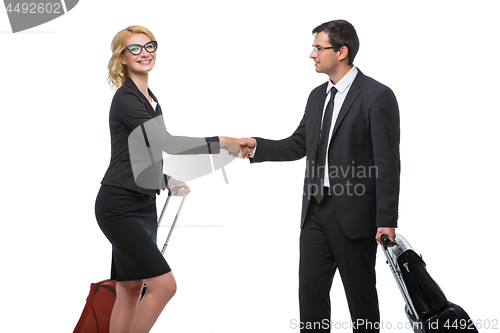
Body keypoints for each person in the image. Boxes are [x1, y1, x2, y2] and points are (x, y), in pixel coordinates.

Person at [238, 20, 400, 332]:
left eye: (318, 47)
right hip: (315, 210)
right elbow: (299, 143)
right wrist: (257, 147)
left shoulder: (377, 96)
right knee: (310, 295)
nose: (312, 54)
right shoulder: (317, 96)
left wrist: (386, 219)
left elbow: (388, 162)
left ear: (342, 52)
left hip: (355, 216)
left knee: (361, 300)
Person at [95, 25, 244, 333]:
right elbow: (166, 143)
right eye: (134, 48)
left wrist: (164, 180)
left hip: (142, 203)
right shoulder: (126, 99)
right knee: (163, 286)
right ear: (121, 58)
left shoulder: (150, 98)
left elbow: (138, 153)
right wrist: (224, 141)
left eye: (149, 45)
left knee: (130, 288)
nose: (144, 53)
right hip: (118, 205)